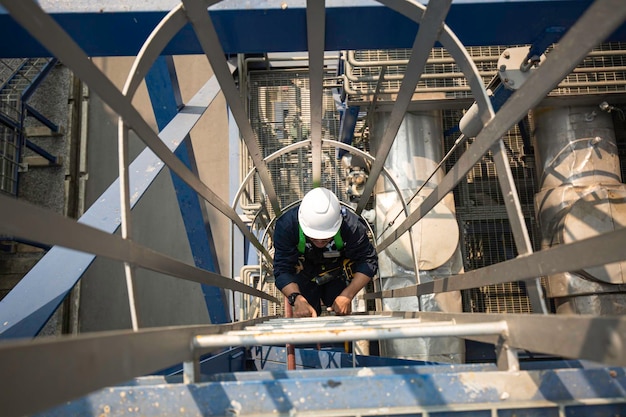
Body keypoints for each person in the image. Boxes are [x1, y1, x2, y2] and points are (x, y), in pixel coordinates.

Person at [273, 187, 378, 317]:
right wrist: (296, 298)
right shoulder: (287, 226)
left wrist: (347, 295)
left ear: (338, 223)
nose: (320, 241)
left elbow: (368, 261)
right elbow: (282, 269)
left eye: (326, 237)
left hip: (337, 273)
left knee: (341, 316)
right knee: (306, 317)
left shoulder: (351, 226)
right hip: (303, 273)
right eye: (314, 236)